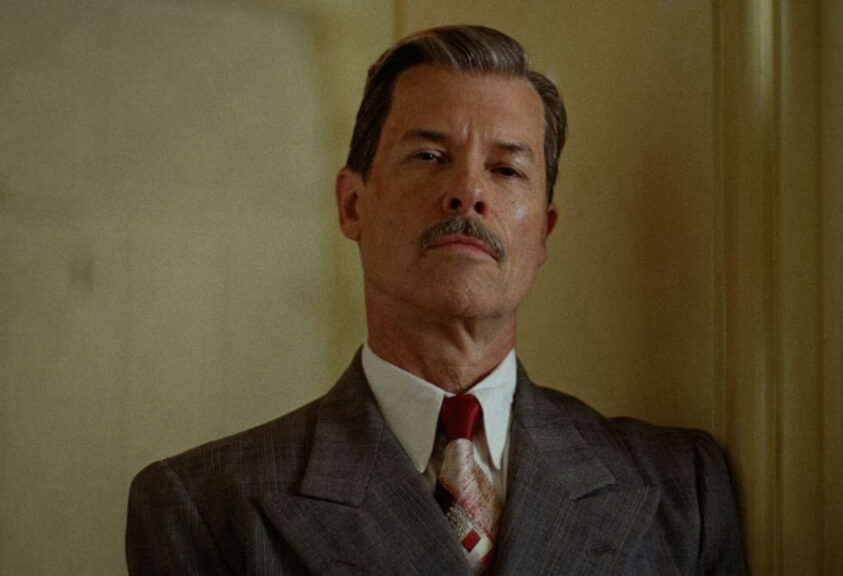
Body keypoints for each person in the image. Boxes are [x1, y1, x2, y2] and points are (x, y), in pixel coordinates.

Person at [126, 25, 748, 575]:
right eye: (429, 156)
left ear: (544, 233)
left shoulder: (681, 490)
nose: (468, 191)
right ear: (352, 205)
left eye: (506, 170)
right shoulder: (205, 507)